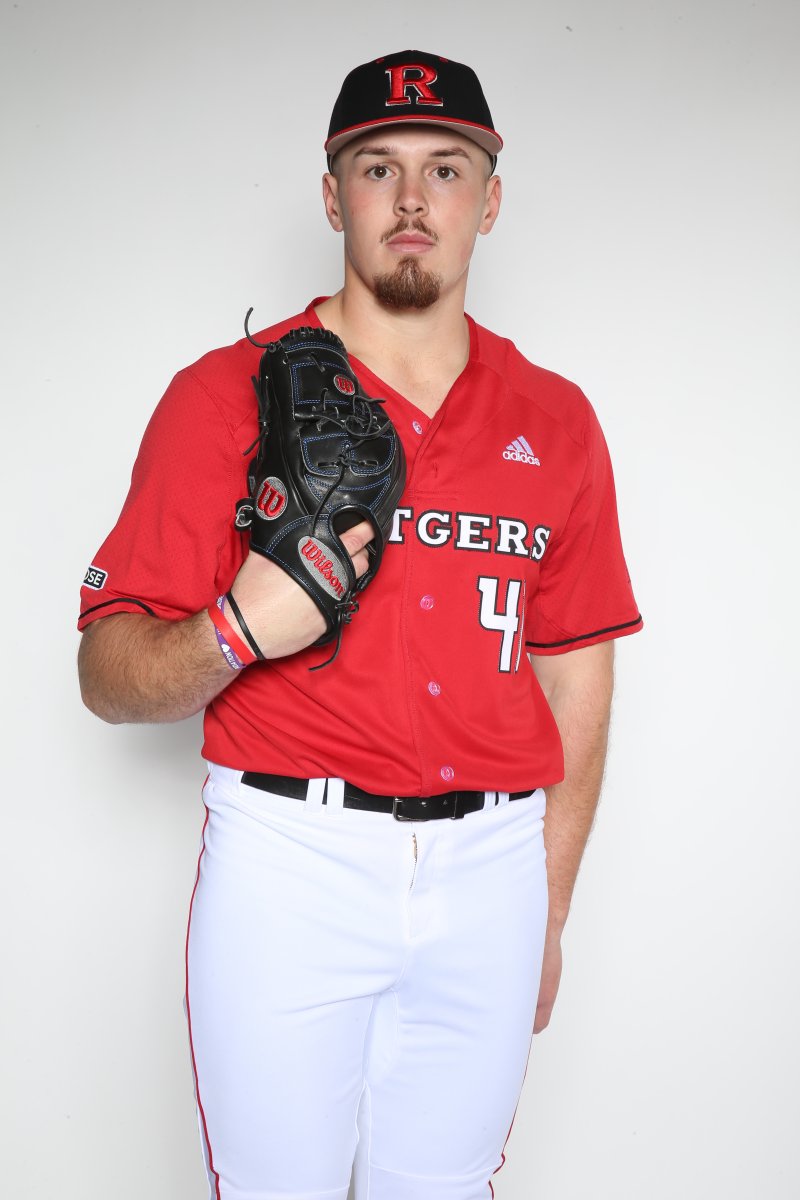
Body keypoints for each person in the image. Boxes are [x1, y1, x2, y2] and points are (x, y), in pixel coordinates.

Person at [78, 50, 642, 1200]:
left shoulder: (557, 419)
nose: (411, 199)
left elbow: (576, 675)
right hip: (293, 860)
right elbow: (104, 670)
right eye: (376, 168)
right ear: (332, 197)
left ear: (489, 198)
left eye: (446, 169)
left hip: (493, 867)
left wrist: (545, 905)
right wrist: (234, 629)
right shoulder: (223, 393)